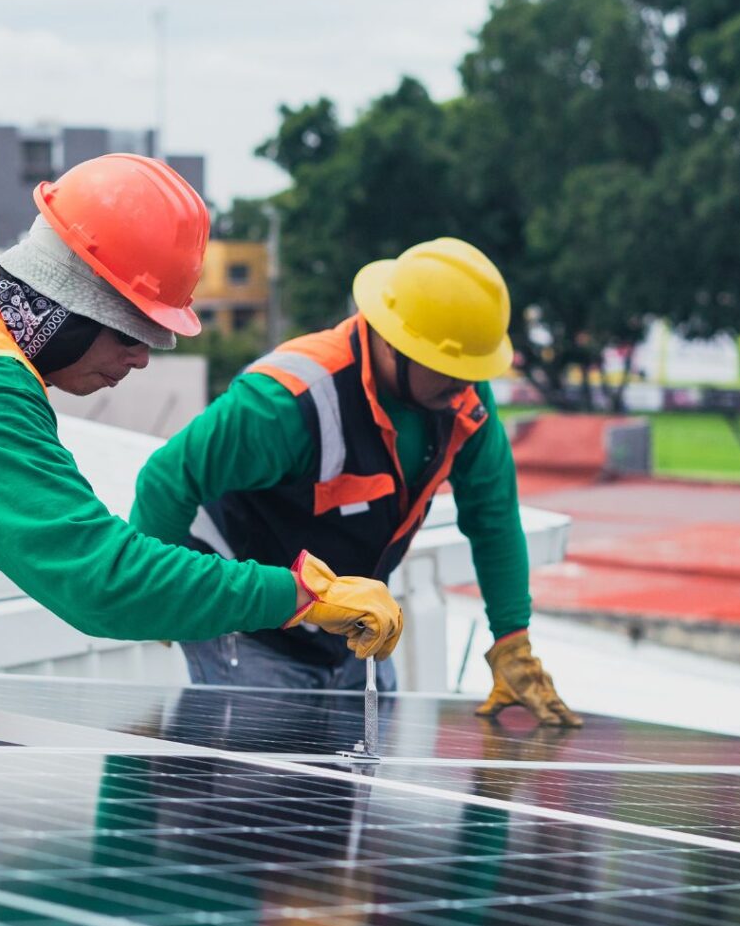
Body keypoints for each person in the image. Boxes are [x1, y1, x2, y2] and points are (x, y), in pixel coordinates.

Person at [0, 154, 402, 742]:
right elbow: (101, 581)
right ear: (74, 306)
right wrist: (300, 596)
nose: (140, 359)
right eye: (135, 332)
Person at [129, 237, 581, 726]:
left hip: (352, 630)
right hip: (251, 629)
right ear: (392, 342)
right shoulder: (287, 401)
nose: (465, 386)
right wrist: (160, 599)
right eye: (451, 369)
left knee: (354, 786)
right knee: (266, 786)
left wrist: (512, 641)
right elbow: (167, 479)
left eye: (472, 372)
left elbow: (493, 519)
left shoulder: (462, 404)